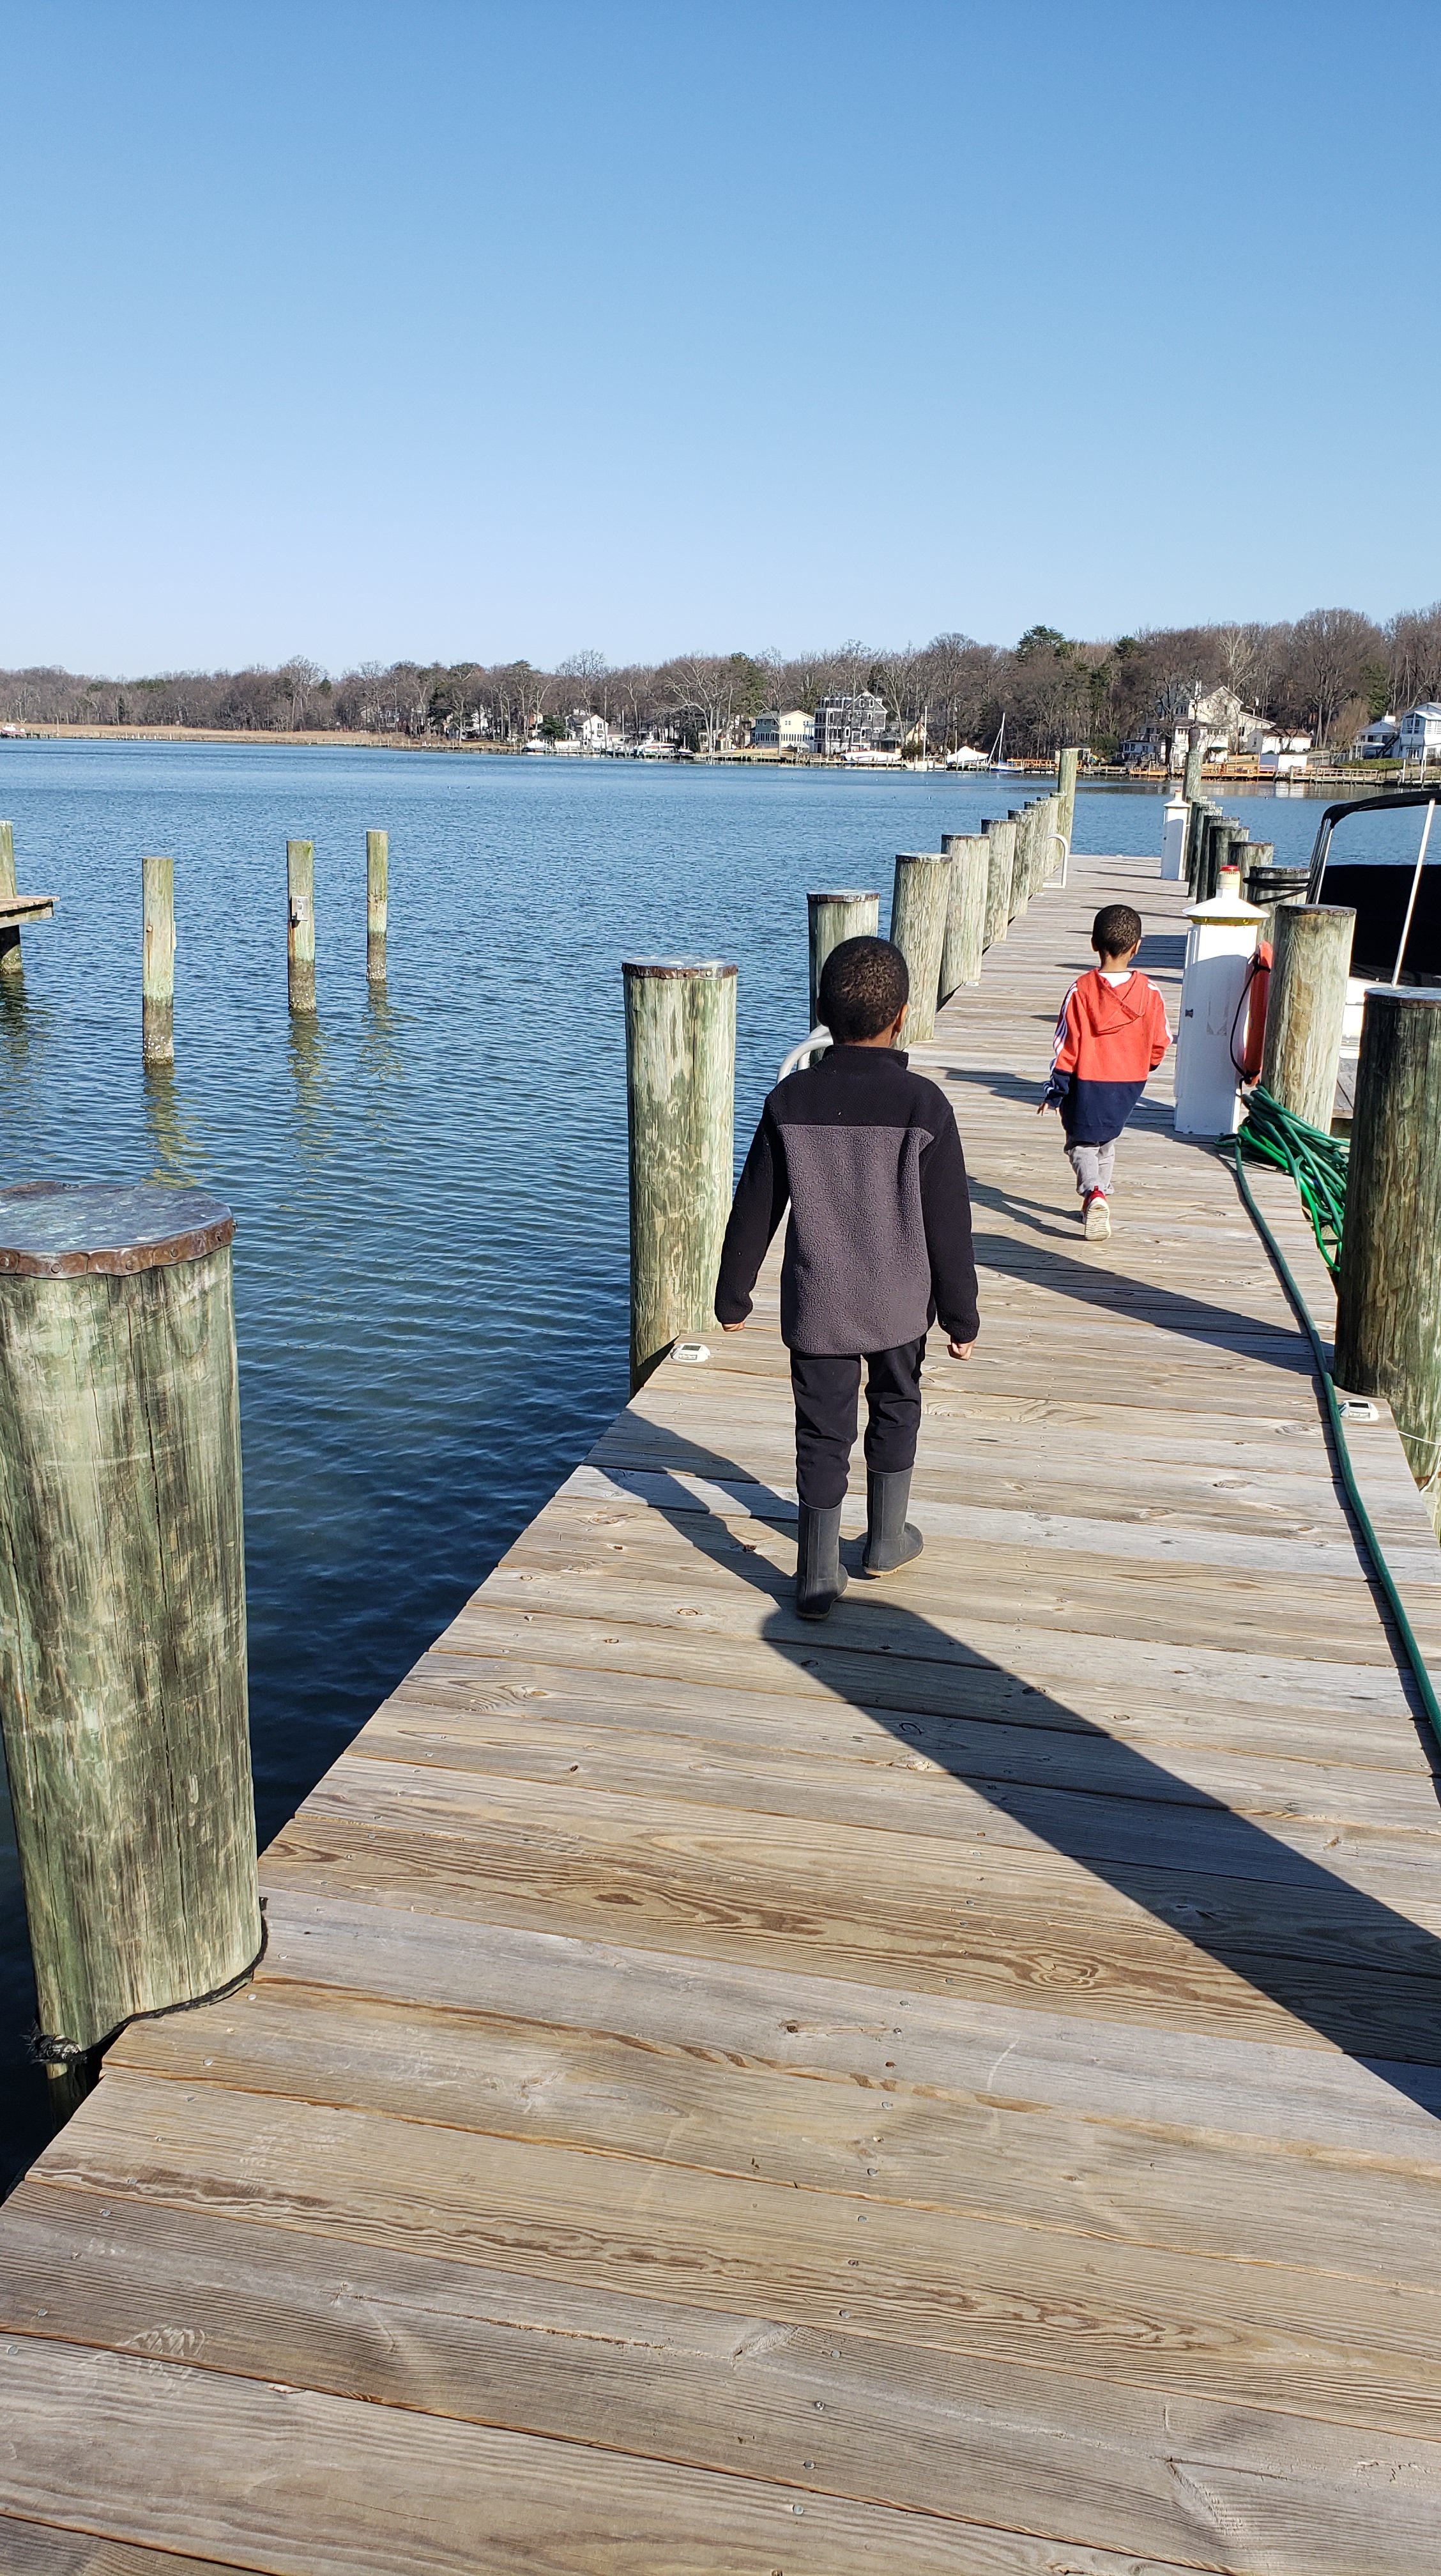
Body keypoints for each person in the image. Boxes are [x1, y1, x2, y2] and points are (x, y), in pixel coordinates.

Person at [714, 935, 979, 1622]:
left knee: (821, 1429)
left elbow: (757, 1207)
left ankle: (816, 1572)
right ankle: (887, 1540)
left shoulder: (790, 1101)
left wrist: (733, 1294)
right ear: (905, 1015)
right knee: (897, 1404)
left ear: (820, 1012)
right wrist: (961, 1316)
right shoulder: (926, 1107)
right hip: (898, 1304)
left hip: (819, 1304)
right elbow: (949, 1224)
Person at [1040, 901, 1171, 1243]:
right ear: (1137, 946)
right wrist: (1148, 1063)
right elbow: (1162, 1040)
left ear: (1094, 943)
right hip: (1129, 1083)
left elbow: (1066, 1046)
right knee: (1107, 1141)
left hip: (1086, 1081)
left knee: (1081, 1144)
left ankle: (1093, 1193)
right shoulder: (1151, 993)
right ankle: (1100, 1199)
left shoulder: (1081, 991)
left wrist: (1055, 1091)